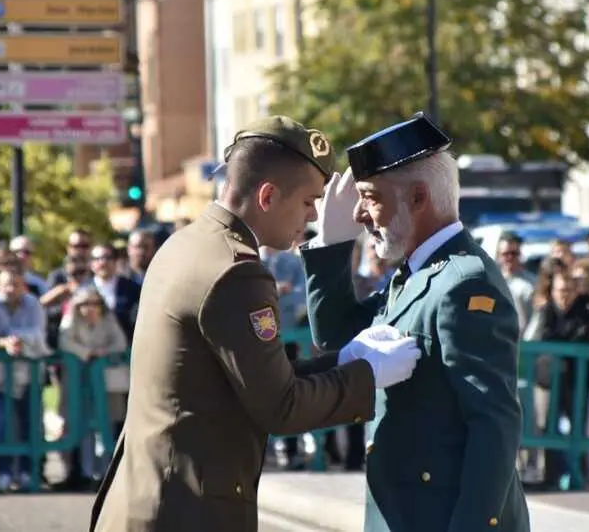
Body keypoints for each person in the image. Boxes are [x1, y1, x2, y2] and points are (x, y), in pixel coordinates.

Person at [90, 116, 421, 532]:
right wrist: (366, 376)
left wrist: (344, 361)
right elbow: (281, 406)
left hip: (147, 498)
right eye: (308, 202)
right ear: (267, 196)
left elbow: (251, 376)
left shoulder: (186, 243)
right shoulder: (237, 272)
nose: (311, 216)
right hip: (186, 513)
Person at [302, 113, 530, 532]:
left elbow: (493, 424)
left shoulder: (464, 282)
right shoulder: (416, 274)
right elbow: (336, 335)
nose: (360, 214)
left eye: (370, 197)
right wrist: (331, 245)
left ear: (418, 198)